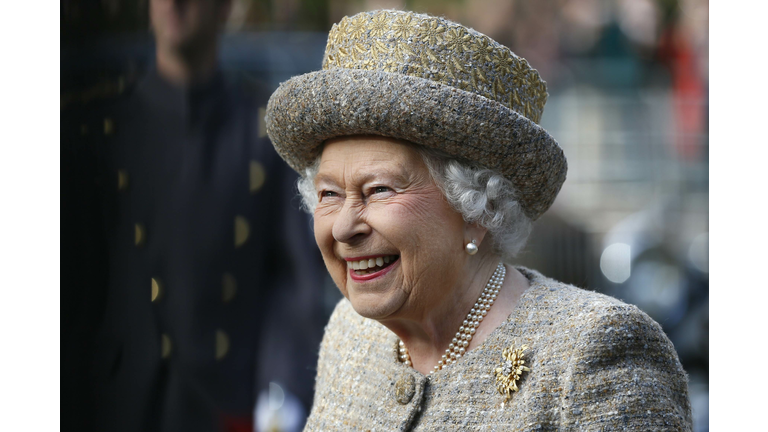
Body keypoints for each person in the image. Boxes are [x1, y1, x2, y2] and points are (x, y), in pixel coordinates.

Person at [264, 10, 692, 431]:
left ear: (476, 210)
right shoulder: (349, 335)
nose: (342, 227)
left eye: (379, 190)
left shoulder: (593, 355)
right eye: (329, 194)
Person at [61, 0, 325, 431]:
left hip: (229, 407)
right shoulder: (93, 133)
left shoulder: (264, 137)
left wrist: (281, 393)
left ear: (224, 8)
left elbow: (294, 283)